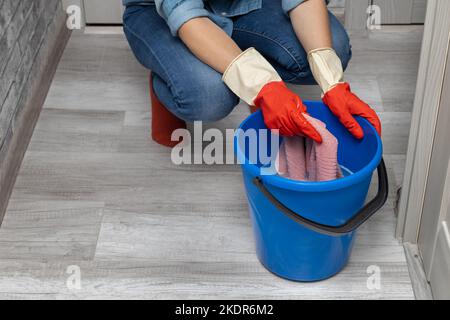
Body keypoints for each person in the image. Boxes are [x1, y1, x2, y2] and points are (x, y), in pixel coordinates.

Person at [122, 0, 381, 147]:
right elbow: (186, 16)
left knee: (332, 46)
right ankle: (171, 73)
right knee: (207, 96)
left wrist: (331, 80)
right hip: (161, 13)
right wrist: (264, 86)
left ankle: (241, 62)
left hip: (245, 3)